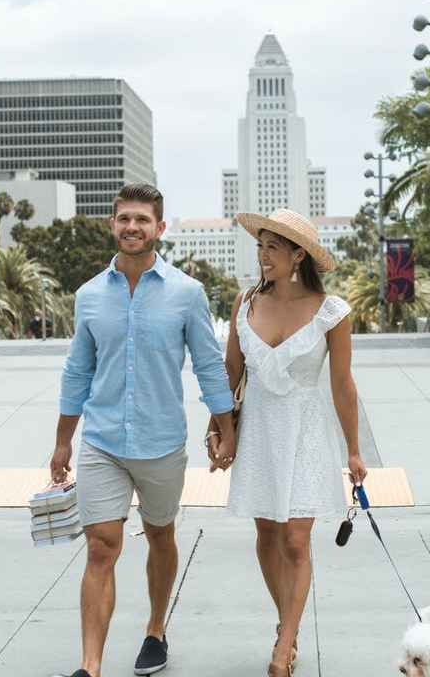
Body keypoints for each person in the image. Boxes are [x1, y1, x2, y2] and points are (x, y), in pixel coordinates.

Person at [50, 184, 236, 677]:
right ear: (113, 225)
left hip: (160, 443)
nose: (133, 227)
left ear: (160, 228)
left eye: (142, 220)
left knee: (159, 534)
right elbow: (77, 371)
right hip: (102, 441)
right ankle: (90, 667)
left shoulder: (186, 293)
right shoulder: (88, 296)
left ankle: (155, 629)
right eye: (124, 219)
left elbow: (209, 365)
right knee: (101, 546)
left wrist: (226, 426)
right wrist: (63, 439)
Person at [206, 208, 367, 677]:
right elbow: (230, 374)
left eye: (272, 248)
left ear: (299, 255)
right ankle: (288, 625)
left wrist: (354, 451)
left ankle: (283, 647)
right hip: (258, 430)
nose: (263, 256)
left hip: (306, 431)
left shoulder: (331, 311)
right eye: (260, 247)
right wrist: (218, 429)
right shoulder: (245, 302)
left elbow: (343, 385)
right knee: (267, 535)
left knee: (296, 540)